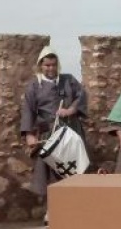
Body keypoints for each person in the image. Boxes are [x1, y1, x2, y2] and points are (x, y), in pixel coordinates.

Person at [20, 46, 89, 196]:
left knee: (73, 169)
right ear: (40, 65)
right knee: (50, 172)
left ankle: (74, 208)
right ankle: (51, 210)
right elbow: (28, 110)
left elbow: (81, 96)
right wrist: (29, 135)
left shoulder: (68, 80)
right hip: (48, 134)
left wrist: (70, 110)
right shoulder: (34, 86)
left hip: (71, 131)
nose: (50, 68)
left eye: (53, 65)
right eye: (47, 65)